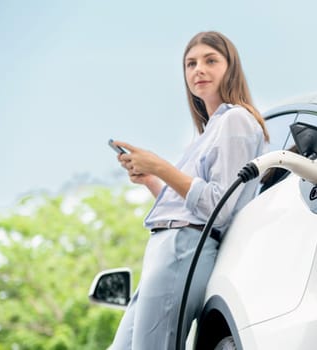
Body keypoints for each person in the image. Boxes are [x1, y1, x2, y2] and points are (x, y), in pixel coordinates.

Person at [109, 31, 269, 349]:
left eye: (211, 60)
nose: (199, 70)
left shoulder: (236, 120)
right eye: (190, 63)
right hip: (167, 249)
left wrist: (160, 167)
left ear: (231, 67)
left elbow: (217, 209)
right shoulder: (207, 132)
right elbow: (190, 205)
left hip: (184, 249)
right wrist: (153, 180)